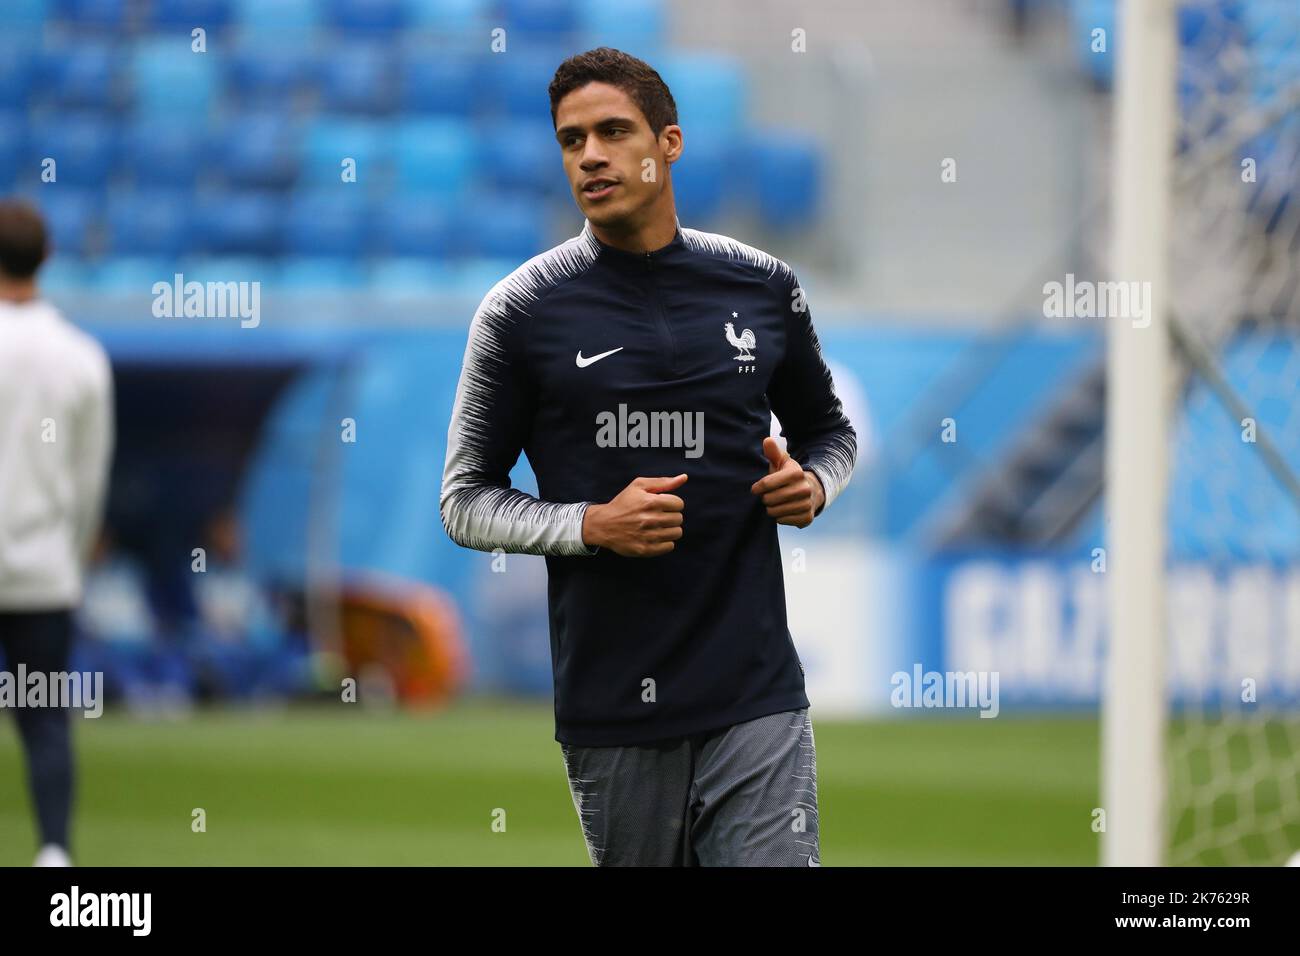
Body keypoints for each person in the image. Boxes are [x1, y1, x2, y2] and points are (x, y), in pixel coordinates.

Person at [439, 49, 858, 866]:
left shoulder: (764, 285)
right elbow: (464, 499)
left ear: (668, 143)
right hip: (614, 704)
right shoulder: (520, 310)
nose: (590, 155)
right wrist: (591, 524)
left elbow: (831, 436)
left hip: (755, 689)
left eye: (612, 131)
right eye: (570, 140)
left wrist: (810, 485)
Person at [0, 199, 114, 866]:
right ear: (46, 259)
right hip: (44, 571)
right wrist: (68, 558)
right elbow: (88, 478)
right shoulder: (79, 356)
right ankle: (53, 855)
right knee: (43, 718)